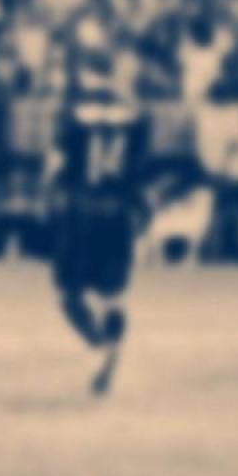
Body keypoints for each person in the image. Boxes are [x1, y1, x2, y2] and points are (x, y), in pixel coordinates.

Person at [45, 47, 145, 397]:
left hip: (81, 208)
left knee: (69, 294)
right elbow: (139, 165)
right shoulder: (134, 114)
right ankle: (111, 346)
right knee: (113, 296)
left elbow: (55, 163)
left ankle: (97, 344)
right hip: (119, 211)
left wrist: (50, 193)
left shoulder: (72, 110)